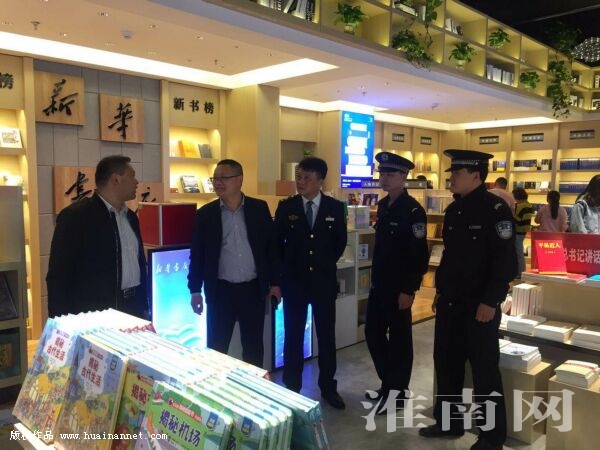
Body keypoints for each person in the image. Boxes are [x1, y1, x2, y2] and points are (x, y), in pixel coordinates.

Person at [419, 150, 517, 450]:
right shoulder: (454, 210)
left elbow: (505, 262)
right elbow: (450, 257)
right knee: (446, 364)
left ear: (476, 175)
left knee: (484, 372)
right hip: (451, 302)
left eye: (457, 173)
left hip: (479, 306)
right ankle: (449, 422)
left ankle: (491, 436)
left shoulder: (496, 210)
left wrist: (491, 301)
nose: (451, 178)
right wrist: (440, 291)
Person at [187, 159, 281, 368]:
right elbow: (198, 254)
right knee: (217, 346)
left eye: (223, 178)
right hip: (220, 291)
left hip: (252, 290)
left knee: (253, 347)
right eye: (215, 178)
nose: (217, 183)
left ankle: (253, 385)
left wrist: (275, 283)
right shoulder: (206, 214)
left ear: (239, 180)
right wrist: (194, 290)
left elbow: (271, 249)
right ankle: (216, 385)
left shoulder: (259, 208)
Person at [274, 156, 347, 409]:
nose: (301, 182)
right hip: (294, 283)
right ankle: (292, 386)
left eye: (307, 177)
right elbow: (277, 245)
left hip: (323, 283)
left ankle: (328, 387)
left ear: (320, 180)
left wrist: (322, 265)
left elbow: (339, 243)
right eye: (299, 177)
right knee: (293, 335)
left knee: (326, 337)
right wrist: (281, 277)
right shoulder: (287, 207)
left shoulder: (335, 208)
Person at [365, 152, 429, 413]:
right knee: (373, 334)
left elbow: (418, 254)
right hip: (379, 284)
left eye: (391, 174)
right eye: (382, 173)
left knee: (400, 340)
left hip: (399, 287)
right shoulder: (383, 206)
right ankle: (390, 384)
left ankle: (398, 393)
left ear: (404, 177)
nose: (385, 178)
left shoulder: (413, 211)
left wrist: (409, 289)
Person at [47, 155, 148, 318]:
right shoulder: (76, 216)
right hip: (94, 313)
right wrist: (59, 320)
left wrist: (144, 306)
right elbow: (58, 274)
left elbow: (140, 264)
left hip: (132, 308)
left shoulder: (131, 217)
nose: (136, 182)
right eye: (132, 176)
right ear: (116, 179)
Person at [512, 187, 534, 277]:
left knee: (518, 252)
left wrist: (512, 214)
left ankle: (520, 272)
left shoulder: (519, 206)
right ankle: (520, 271)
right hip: (523, 231)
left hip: (518, 231)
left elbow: (518, 220)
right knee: (519, 252)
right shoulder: (528, 205)